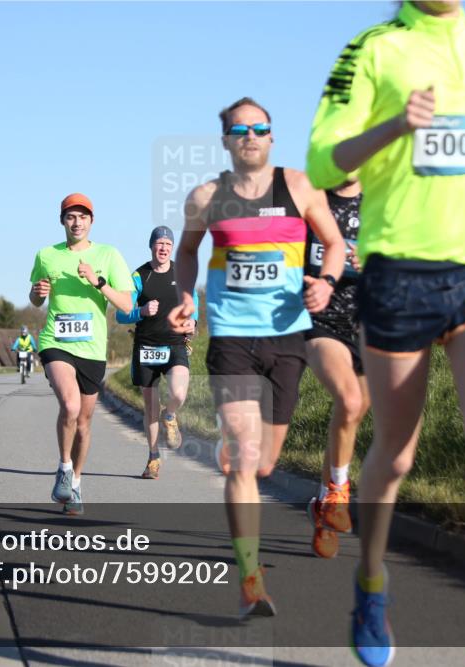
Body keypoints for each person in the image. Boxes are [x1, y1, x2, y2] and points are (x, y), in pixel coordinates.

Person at [306, 2, 465, 666]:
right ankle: (372, 581)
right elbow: (322, 160)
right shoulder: (372, 49)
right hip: (400, 268)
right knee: (395, 458)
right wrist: (393, 123)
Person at [168, 97, 346, 618]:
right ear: (225, 140)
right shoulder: (206, 196)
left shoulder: (299, 188)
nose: (250, 135)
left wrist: (327, 284)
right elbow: (186, 252)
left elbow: (333, 244)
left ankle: (313, 501)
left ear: (272, 137)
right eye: (239, 129)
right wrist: (186, 295)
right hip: (232, 340)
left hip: (287, 337)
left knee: (265, 462)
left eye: (259, 127)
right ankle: (249, 577)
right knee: (246, 459)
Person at [29, 193, 135, 515]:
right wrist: (36, 293)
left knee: (85, 423)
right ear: (62, 221)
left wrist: (98, 282)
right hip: (56, 342)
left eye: (83, 217)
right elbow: (36, 300)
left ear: (91, 221)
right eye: (70, 217)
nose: (77, 223)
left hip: (92, 348)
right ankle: (63, 467)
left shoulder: (109, 255)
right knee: (70, 405)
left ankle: (75, 482)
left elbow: (127, 305)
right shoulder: (47, 255)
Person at [303, 179, 370, 559]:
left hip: (368, 320)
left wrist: (375, 259)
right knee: (348, 399)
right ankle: (338, 492)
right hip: (320, 319)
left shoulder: (381, 200)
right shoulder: (310, 201)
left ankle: (323, 503)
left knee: (356, 411)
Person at [116, 225, 198, 480]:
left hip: (175, 345)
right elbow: (121, 312)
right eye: (158, 243)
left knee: (178, 392)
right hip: (146, 347)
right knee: (150, 409)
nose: (163, 248)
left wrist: (193, 322)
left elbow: (192, 304)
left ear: (171, 248)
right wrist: (140, 311)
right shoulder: (139, 277)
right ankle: (153, 458)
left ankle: (170, 414)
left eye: (167, 244)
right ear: (151, 246)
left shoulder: (181, 272)